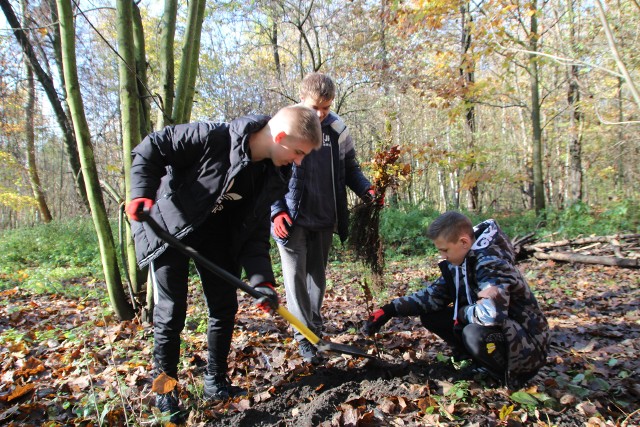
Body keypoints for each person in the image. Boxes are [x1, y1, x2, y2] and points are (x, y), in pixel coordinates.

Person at [125, 105, 322, 421]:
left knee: (224, 306)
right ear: (280, 136)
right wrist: (141, 193)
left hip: (216, 237)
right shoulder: (212, 137)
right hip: (170, 227)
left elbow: (255, 232)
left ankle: (215, 382)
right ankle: (165, 392)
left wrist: (262, 281)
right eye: (298, 152)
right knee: (170, 312)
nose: (298, 161)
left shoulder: (273, 173)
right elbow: (152, 147)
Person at [362, 211, 549, 389]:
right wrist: (389, 310)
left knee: (473, 332)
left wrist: (462, 312)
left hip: (528, 348)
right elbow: (433, 297)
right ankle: (479, 360)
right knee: (431, 316)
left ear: (464, 242)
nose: (442, 256)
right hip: (505, 333)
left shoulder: (491, 264)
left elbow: (491, 315)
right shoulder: (461, 261)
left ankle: (500, 374)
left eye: (444, 250)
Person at [271, 72, 375, 364]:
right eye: (314, 107)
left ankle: (314, 328)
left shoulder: (337, 129)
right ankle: (304, 337)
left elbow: (350, 168)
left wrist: (366, 189)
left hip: (325, 215)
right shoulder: (286, 123)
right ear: (302, 98)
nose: (319, 114)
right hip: (291, 217)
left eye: (325, 108)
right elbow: (270, 169)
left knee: (316, 277)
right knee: (294, 277)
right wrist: (276, 210)